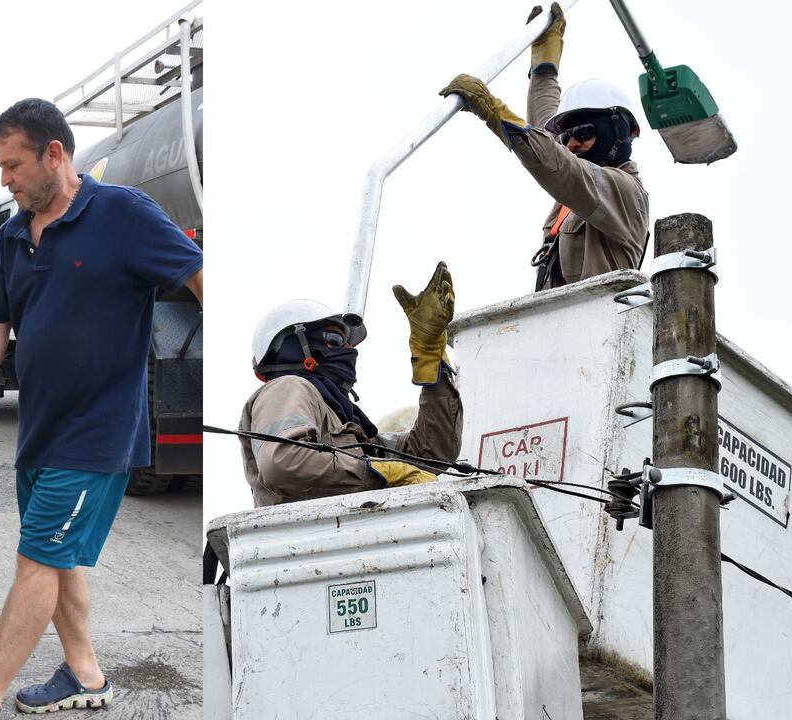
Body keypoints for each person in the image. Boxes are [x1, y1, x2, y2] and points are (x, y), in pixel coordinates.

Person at [0, 98, 203, 720]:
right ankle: (86, 674)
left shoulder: (123, 213)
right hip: (39, 431)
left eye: (13, 164)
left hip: (97, 433)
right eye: (0, 166)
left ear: (55, 154)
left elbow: (202, 279)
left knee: (39, 556)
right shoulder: (14, 235)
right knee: (58, 557)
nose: (5, 178)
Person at [438, 2, 650, 292]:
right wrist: (544, 67)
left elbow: (556, 162)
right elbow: (546, 135)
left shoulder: (625, 193)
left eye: (584, 133)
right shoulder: (578, 190)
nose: (572, 143)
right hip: (559, 324)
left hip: (599, 327)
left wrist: (494, 113)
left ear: (618, 135)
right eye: (567, 137)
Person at [239, 263, 462, 508]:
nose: (349, 351)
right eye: (335, 339)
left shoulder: (346, 425)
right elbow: (283, 463)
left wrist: (431, 360)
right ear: (295, 346)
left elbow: (430, 455)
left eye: (349, 343)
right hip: (304, 539)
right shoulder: (287, 388)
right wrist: (378, 473)